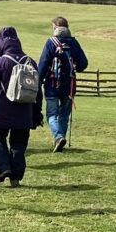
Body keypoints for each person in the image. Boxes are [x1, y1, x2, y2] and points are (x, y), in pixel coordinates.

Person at [0, 26, 43, 187]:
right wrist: (37, 113)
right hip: (25, 109)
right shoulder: (31, 62)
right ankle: (15, 177)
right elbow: (38, 91)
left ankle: (3, 168)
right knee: (19, 143)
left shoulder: (1, 62)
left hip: (1, 109)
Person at [37, 15, 89, 152]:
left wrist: (39, 80)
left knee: (52, 114)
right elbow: (84, 64)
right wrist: (74, 67)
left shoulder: (51, 42)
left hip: (52, 85)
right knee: (64, 115)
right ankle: (60, 141)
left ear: (55, 27)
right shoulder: (74, 43)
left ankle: (59, 137)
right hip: (70, 86)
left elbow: (43, 64)